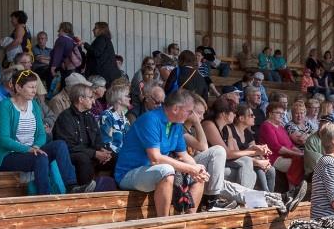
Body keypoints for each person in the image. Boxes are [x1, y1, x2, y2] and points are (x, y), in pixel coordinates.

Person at [0, 69, 92, 195]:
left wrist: (35, 146)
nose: (35, 90)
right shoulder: (5, 106)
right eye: (31, 87)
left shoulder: (34, 104)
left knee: (60, 145)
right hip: (9, 155)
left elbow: (41, 134)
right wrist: (28, 150)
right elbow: (4, 139)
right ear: (18, 87)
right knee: (40, 158)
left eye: (35, 87)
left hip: (32, 151)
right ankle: (44, 196)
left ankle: (71, 186)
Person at [114, 89, 209, 217]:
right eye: (189, 111)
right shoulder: (150, 119)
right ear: (175, 108)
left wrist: (198, 170)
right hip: (129, 174)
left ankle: (188, 220)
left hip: (153, 172)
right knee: (167, 169)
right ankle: (163, 223)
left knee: (198, 175)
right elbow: (155, 158)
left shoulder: (176, 125)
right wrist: (191, 168)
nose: (191, 115)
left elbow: (184, 155)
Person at [53, 83, 114, 185]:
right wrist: (94, 154)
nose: (93, 101)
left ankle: (115, 191)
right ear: (81, 99)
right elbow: (69, 147)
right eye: (90, 98)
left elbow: (98, 139)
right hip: (72, 156)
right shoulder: (65, 118)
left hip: (90, 153)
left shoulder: (89, 116)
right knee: (83, 158)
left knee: (114, 156)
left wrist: (102, 150)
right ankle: (84, 191)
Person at [202, 97, 263, 190]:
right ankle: (245, 199)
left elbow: (234, 152)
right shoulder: (209, 124)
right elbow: (228, 154)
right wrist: (253, 152)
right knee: (248, 165)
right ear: (223, 114)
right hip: (208, 164)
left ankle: (244, 199)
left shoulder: (226, 128)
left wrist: (255, 153)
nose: (235, 115)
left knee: (250, 169)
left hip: (223, 162)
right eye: (233, 112)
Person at [256, 102, 305, 191]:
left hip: (285, 155)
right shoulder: (266, 126)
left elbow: (290, 145)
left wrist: (301, 152)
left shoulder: (280, 127)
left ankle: (295, 189)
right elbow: (277, 148)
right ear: (270, 114)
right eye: (278, 113)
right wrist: (298, 154)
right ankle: (292, 190)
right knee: (299, 162)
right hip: (273, 158)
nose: (281, 115)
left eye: (283, 113)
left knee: (303, 160)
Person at [229, 103, 276, 192]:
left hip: (251, 161)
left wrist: (263, 160)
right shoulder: (231, 131)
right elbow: (237, 155)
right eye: (251, 115)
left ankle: (270, 195)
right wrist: (258, 162)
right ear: (241, 118)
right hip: (239, 162)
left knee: (271, 169)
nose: (254, 117)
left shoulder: (247, 132)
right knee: (259, 169)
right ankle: (267, 194)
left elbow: (256, 151)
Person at [100, 81, 131, 154]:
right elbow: (106, 143)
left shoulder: (125, 119)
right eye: (127, 96)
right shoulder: (106, 116)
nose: (130, 98)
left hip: (126, 155)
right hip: (114, 156)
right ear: (119, 100)